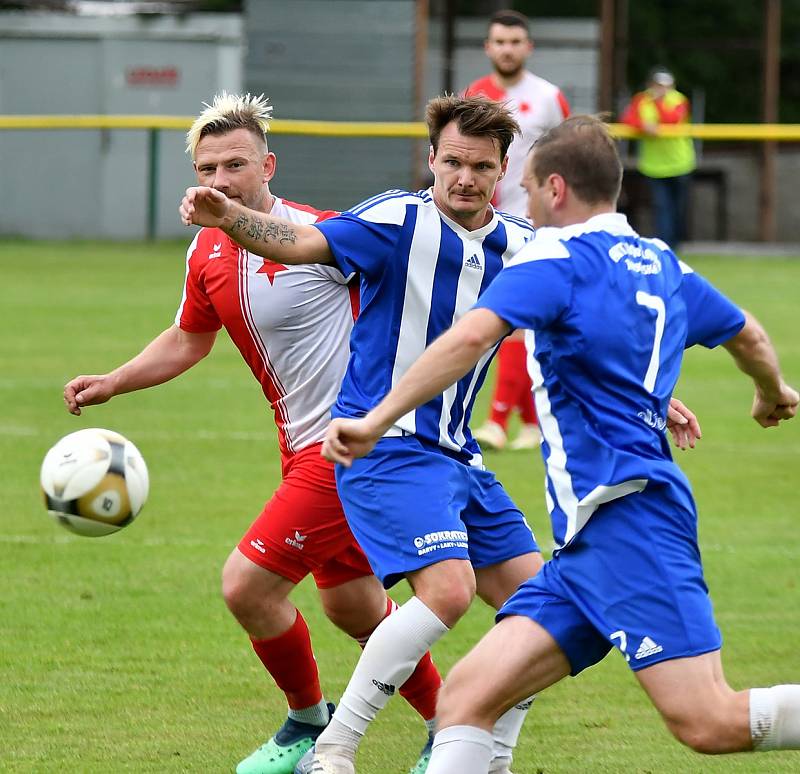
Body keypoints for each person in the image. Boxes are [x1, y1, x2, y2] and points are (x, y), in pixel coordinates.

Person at [179, 96, 698, 774]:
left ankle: (491, 758)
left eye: (480, 166)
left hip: (460, 460)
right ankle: (332, 750)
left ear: (503, 170)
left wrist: (653, 397)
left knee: (549, 610)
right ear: (431, 160)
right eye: (451, 161)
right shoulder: (394, 219)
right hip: (386, 451)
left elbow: (587, 326)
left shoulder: (519, 245)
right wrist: (232, 216)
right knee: (447, 590)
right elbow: (300, 242)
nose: (463, 177)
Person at [321, 115, 800, 773]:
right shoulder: (661, 262)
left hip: (630, 519)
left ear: (554, 188)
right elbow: (747, 334)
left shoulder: (556, 258)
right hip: (585, 544)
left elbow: (469, 338)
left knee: (708, 720)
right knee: (466, 699)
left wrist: (377, 420)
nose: (521, 203)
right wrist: (770, 392)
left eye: (523, 186)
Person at [63, 92, 442, 774]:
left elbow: (421, 303)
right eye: (207, 169)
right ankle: (449, 729)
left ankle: (306, 725)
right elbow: (188, 338)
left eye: (235, 164)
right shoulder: (206, 253)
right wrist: (113, 380)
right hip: (298, 448)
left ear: (268, 164)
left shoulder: (326, 234)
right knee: (354, 605)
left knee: (247, 586)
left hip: (351, 447)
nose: (220, 181)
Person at [465, 9, 570, 453]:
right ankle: (531, 421)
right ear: (488, 48)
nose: (507, 49)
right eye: (499, 42)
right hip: (487, 222)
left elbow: (569, 157)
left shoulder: (549, 97)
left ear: (528, 48)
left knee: (515, 318)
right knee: (517, 318)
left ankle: (494, 419)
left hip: (537, 222)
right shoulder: (474, 95)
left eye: (515, 41)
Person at [621, 66, 696, 250]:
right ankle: (666, 245)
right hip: (654, 165)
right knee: (662, 206)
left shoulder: (678, 100)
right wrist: (642, 126)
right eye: (658, 85)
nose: (661, 89)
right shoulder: (641, 100)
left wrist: (658, 104)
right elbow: (628, 119)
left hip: (680, 163)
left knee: (679, 207)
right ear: (650, 85)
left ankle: (677, 241)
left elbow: (672, 119)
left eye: (665, 86)